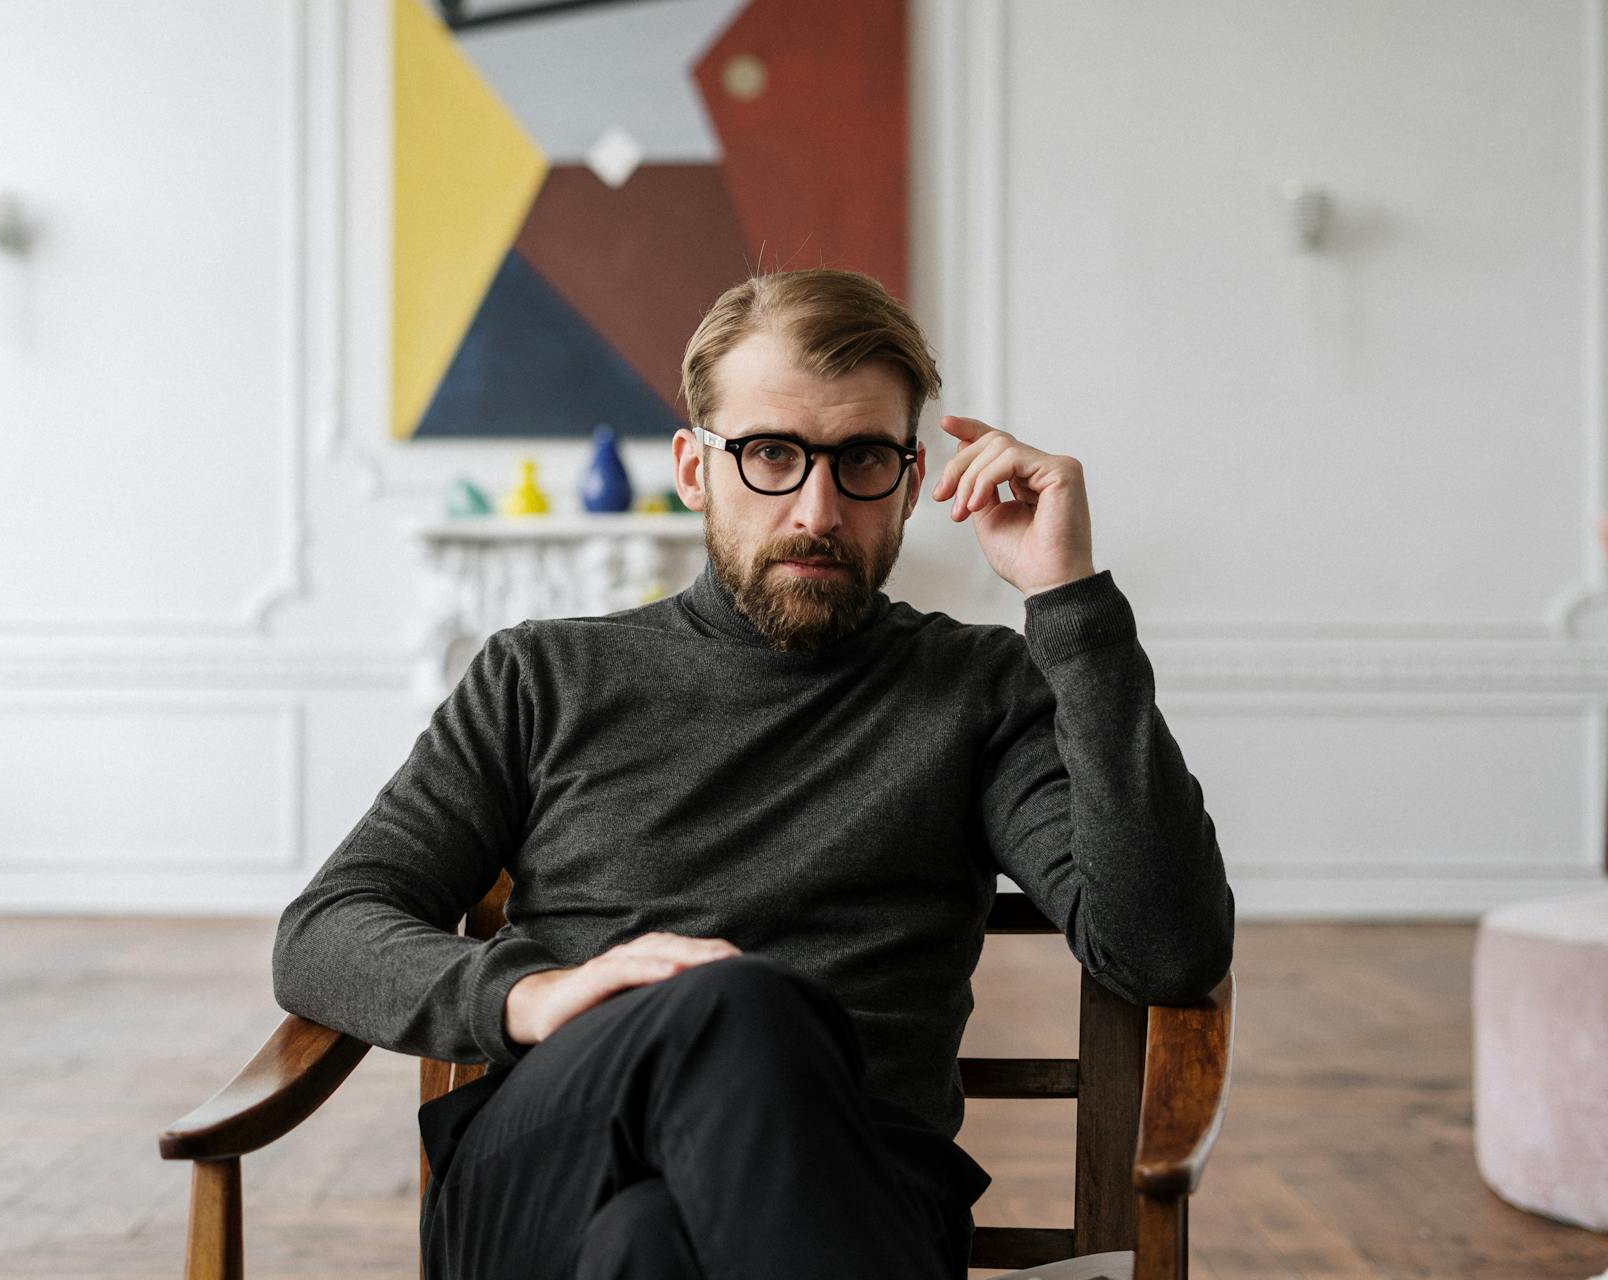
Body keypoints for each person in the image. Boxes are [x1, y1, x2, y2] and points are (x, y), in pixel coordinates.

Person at [272, 269, 1235, 1280]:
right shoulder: (543, 674)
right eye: (771, 453)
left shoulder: (977, 689)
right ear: (694, 467)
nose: (817, 508)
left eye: (862, 458)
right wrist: (535, 995)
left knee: (648, 1240)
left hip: (858, 1183)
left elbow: (1165, 950)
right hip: (552, 1158)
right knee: (740, 1004)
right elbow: (326, 929)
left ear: (912, 481)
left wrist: (1070, 602)